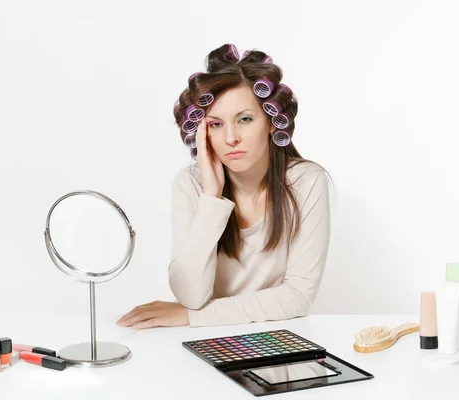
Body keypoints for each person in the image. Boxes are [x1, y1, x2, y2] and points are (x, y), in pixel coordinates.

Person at [117, 43, 332, 329]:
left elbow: (298, 297)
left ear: (271, 122)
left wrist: (193, 318)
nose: (231, 138)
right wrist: (211, 196)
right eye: (216, 124)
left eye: (244, 119)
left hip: (277, 336)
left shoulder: (306, 182)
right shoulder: (191, 185)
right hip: (208, 341)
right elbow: (190, 295)